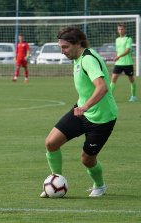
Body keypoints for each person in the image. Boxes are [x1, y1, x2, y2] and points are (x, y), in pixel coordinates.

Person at [40, 27, 117, 198]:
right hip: (81, 111)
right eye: (61, 47)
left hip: (102, 118)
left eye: (66, 47)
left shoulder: (88, 59)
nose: (62, 51)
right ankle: (56, 180)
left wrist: (86, 106)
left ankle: (100, 185)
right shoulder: (77, 57)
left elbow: (102, 87)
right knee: (51, 143)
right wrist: (83, 107)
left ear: (78, 44)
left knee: (87, 159)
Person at [110, 23, 137, 102]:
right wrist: (115, 56)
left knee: (131, 80)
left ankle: (133, 96)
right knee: (113, 79)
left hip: (128, 63)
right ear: (117, 30)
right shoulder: (117, 39)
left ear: (124, 30)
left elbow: (127, 50)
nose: (120, 31)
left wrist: (118, 56)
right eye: (119, 29)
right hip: (118, 64)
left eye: (122, 29)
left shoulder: (128, 38)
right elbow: (117, 50)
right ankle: (109, 97)